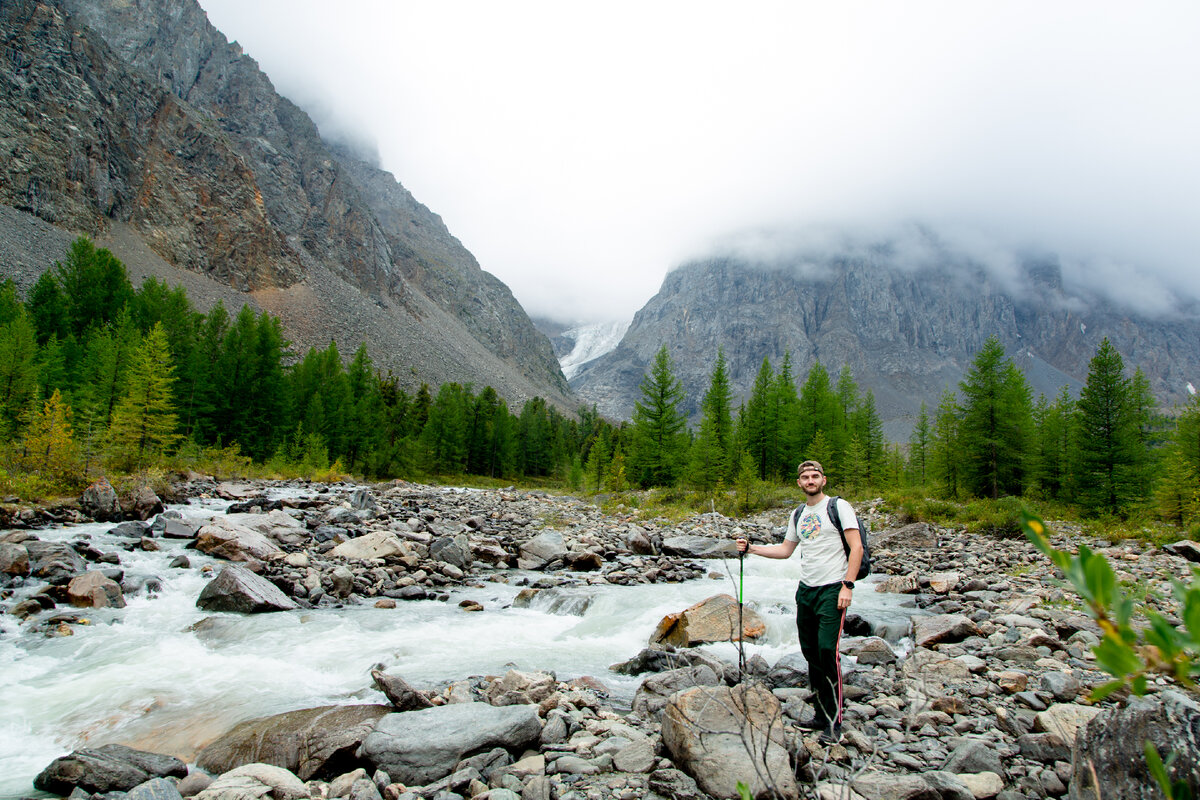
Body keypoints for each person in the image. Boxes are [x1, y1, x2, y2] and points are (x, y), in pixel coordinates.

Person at [736, 459, 863, 745]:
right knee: (810, 652)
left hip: (833, 589)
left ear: (823, 480)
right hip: (806, 590)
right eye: (805, 477)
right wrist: (752, 549)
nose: (810, 480)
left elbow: (856, 547)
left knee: (827, 650)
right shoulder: (799, 514)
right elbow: (785, 550)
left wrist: (848, 585)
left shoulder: (838, 507)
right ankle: (820, 712)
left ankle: (834, 720)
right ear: (799, 483)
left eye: (814, 476)